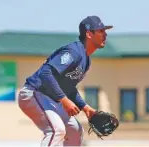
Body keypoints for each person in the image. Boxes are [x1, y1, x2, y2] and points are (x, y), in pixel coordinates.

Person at [18, 15, 113, 146]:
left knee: (75, 131)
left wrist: (85, 108)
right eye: (101, 31)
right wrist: (64, 100)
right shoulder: (74, 52)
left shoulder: (86, 60)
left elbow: (67, 87)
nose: (105, 34)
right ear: (89, 34)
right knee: (56, 130)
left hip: (50, 99)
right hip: (34, 93)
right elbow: (46, 73)